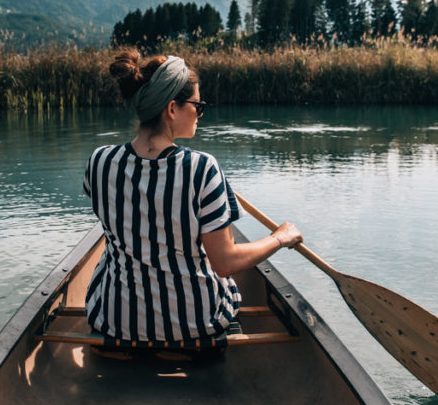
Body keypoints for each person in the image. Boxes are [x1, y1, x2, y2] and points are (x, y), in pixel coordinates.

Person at [83, 49, 303, 344]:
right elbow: (224, 262)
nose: (200, 113)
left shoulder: (99, 161)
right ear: (172, 108)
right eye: (197, 106)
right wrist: (280, 237)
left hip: (115, 321)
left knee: (110, 252)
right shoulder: (203, 168)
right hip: (195, 324)